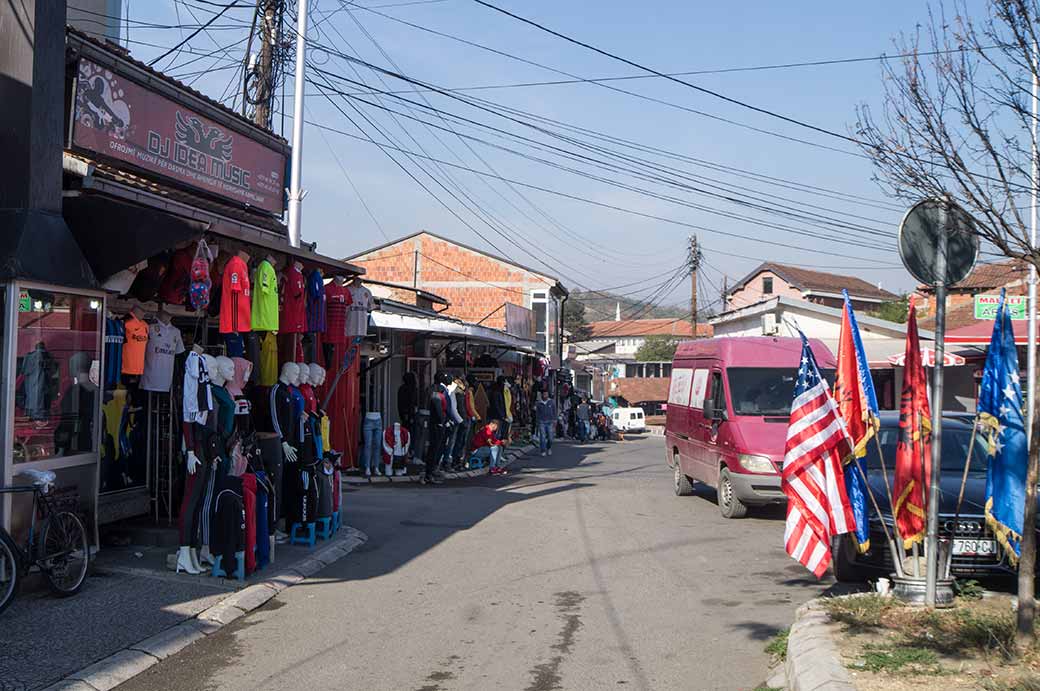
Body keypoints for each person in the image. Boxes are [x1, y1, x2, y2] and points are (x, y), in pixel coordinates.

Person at [534, 390, 556, 457]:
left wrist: (555, 420)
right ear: (542, 395)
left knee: (550, 438)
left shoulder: (551, 402)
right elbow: (537, 414)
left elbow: (554, 411)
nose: (545, 396)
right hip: (542, 422)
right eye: (544, 394)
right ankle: (543, 450)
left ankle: (548, 447)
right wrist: (537, 422)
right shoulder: (538, 403)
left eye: (546, 394)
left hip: (550, 422)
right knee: (542, 437)